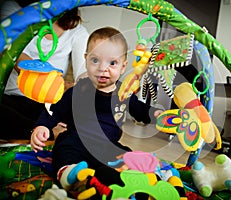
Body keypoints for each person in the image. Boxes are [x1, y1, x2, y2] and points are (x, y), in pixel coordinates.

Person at [30, 27, 162, 199]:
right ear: (86, 60)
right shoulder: (79, 90)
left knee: (127, 155)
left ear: (123, 67)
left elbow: (142, 111)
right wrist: (42, 126)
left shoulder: (124, 93)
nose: (102, 69)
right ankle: (71, 175)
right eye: (95, 60)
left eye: (112, 63)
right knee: (64, 148)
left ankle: (127, 178)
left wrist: (158, 114)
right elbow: (54, 109)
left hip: (108, 145)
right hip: (77, 140)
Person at [0, 3, 89, 139]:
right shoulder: (12, 10)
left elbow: (84, 73)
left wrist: (79, 88)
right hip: (10, 98)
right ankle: (48, 132)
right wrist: (50, 78)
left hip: (46, 103)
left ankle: (43, 130)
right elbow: (14, 55)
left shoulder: (77, 31)